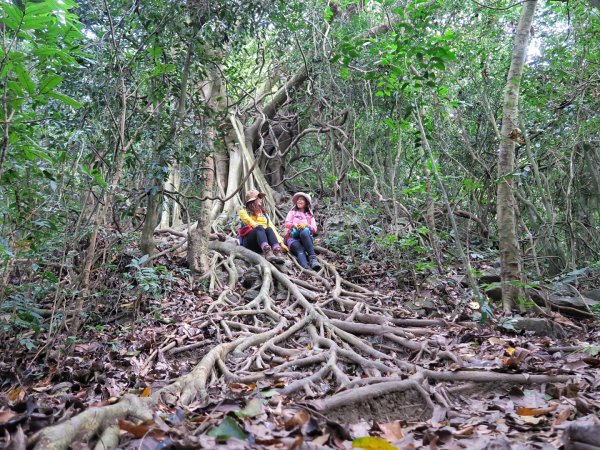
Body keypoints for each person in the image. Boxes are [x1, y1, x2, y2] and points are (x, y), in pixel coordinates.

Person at [238, 189, 287, 264]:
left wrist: (280, 243)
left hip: (261, 244)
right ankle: (267, 252)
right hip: (249, 242)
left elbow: (272, 227)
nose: (261, 199)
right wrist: (257, 225)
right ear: (253, 200)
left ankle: (277, 252)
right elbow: (249, 221)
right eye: (259, 198)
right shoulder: (243, 212)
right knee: (259, 228)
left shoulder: (264, 214)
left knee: (269, 229)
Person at [284, 192, 321, 270]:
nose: (299, 201)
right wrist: (295, 225)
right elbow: (287, 223)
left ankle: (313, 259)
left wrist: (306, 225)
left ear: (306, 203)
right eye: (298, 199)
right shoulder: (292, 212)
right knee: (300, 250)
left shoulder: (310, 216)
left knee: (304, 231)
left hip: (306, 238)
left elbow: (314, 229)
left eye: (302, 200)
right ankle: (307, 269)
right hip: (293, 238)